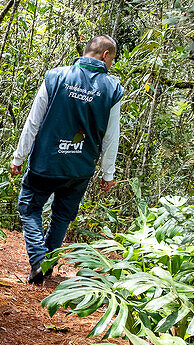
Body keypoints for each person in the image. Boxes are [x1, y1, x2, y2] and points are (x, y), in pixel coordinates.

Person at [10, 34, 123, 285]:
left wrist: (19, 156)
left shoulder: (55, 77)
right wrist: (108, 173)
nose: (111, 64)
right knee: (61, 216)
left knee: (29, 208)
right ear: (105, 55)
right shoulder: (112, 89)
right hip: (80, 167)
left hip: (45, 163)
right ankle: (44, 265)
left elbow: (33, 121)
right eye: (112, 58)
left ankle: (39, 260)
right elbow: (111, 136)